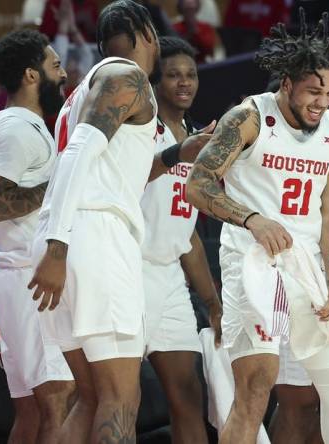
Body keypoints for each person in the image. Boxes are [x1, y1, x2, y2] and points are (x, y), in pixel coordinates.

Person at [29, 2, 211, 442]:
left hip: (71, 235)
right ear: (149, 34)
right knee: (121, 399)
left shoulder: (86, 89)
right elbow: (79, 155)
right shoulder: (126, 78)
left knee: (90, 398)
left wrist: (173, 155)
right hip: (92, 238)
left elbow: (112, 165)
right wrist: (59, 245)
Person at [187, 13, 329, 444]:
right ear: (286, 84)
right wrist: (252, 219)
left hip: (306, 263)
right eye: (312, 92)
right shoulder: (249, 117)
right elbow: (197, 183)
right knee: (255, 390)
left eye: (327, 93)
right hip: (252, 261)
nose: (321, 102)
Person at [0, 29, 75, 444]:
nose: (65, 74)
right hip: (28, 282)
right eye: (55, 66)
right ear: (32, 76)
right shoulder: (17, 127)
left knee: (34, 411)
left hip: (18, 280)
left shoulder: (26, 126)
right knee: (59, 398)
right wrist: (56, 187)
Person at [140, 36, 222, 442]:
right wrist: (179, 152)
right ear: (156, 82)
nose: (184, 83)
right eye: (173, 75)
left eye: (190, 75)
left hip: (170, 278)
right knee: (112, 397)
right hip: (127, 270)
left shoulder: (194, 136)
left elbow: (186, 230)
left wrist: (212, 302)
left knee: (189, 393)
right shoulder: (140, 128)